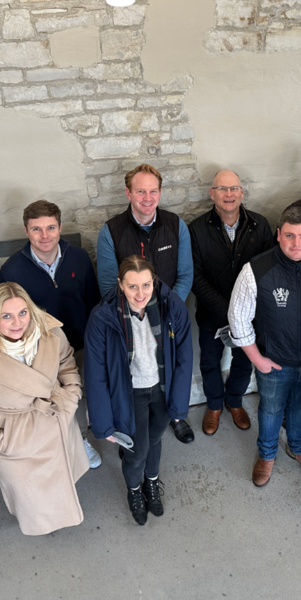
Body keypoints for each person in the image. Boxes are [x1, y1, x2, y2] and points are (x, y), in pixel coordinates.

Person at [0, 283, 89, 536]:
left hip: (57, 419)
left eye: (23, 313)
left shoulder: (50, 330)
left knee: (62, 479)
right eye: (6, 316)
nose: (17, 323)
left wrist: (72, 395)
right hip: (16, 438)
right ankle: (42, 525)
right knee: (33, 499)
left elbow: (66, 360)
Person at [228, 205, 301, 487]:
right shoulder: (256, 270)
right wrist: (257, 359)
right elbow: (237, 317)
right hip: (274, 362)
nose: (297, 243)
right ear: (279, 235)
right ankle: (267, 454)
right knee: (270, 410)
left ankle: (298, 447)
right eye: (290, 236)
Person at [84, 256, 193, 525]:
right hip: (128, 394)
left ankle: (151, 482)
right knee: (137, 451)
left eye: (146, 285)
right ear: (120, 285)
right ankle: (135, 489)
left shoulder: (172, 306)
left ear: (154, 282)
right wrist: (103, 424)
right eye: (132, 287)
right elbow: (95, 374)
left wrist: (179, 405)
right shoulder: (103, 317)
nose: (140, 294)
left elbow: (184, 357)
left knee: (155, 440)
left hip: (161, 389)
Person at [0, 199, 102, 469]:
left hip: (80, 342)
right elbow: (8, 318)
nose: (44, 236)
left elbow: (93, 302)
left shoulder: (79, 257)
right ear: (26, 231)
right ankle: (65, 443)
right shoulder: (12, 270)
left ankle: (87, 436)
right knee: (52, 399)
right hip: (41, 352)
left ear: (60, 227)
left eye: (50, 228)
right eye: (36, 229)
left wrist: (96, 341)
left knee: (82, 394)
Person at [96, 163, 195, 444]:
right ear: (128, 193)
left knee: (173, 367)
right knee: (138, 373)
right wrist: (138, 312)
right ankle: (132, 423)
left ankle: (175, 415)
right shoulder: (111, 231)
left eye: (153, 191)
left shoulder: (176, 225)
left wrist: (168, 311)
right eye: (140, 191)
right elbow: (107, 285)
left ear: (160, 193)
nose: (147, 198)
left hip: (170, 317)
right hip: (129, 321)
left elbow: (185, 274)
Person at [189, 170, 274, 436]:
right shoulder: (196, 229)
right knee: (210, 361)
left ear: (242, 192)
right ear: (211, 193)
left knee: (243, 359)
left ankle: (234, 401)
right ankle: (214, 405)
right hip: (211, 312)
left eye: (233, 188)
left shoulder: (260, 225)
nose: (228, 194)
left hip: (250, 314)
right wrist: (227, 310)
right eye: (222, 189)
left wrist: (242, 312)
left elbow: (268, 270)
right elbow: (195, 275)